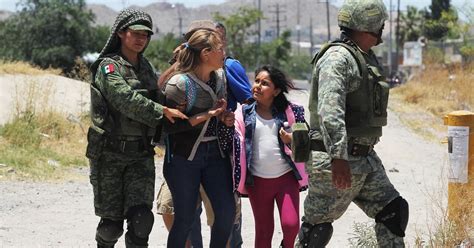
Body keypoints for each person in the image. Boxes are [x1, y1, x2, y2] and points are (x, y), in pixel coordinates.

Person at [295, 0, 409, 247]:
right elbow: (329, 110)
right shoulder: (338, 58)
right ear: (370, 25)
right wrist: (339, 157)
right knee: (316, 231)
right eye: (381, 23)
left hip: (364, 159)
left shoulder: (363, 57)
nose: (383, 27)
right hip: (336, 160)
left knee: (393, 210)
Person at [86, 8, 187, 248]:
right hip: (109, 155)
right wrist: (162, 111)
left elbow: (158, 95)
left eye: (146, 35)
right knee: (110, 227)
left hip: (140, 155)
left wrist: (173, 100)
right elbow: (125, 99)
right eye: (136, 33)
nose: (142, 39)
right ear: (121, 33)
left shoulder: (146, 68)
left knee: (142, 220)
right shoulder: (107, 67)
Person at [156, 20, 251, 248]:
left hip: (214, 155)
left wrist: (224, 118)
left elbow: (222, 113)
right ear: (206, 53)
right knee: (184, 218)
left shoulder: (219, 78)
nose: (224, 54)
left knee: (227, 213)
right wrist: (206, 115)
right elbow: (169, 127)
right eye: (220, 49)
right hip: (183, 158)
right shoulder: (178, 84)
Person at [233, 65, 308, 248]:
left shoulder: (291, 112)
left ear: (276, 91)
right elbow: (234, 143)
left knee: (291, 226)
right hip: (257, 182)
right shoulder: (243, 113)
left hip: (286, 179)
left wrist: (291, 139)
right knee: (264, 231)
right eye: (256, 81)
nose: (257, 86)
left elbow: (306, 140)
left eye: (264, 83)